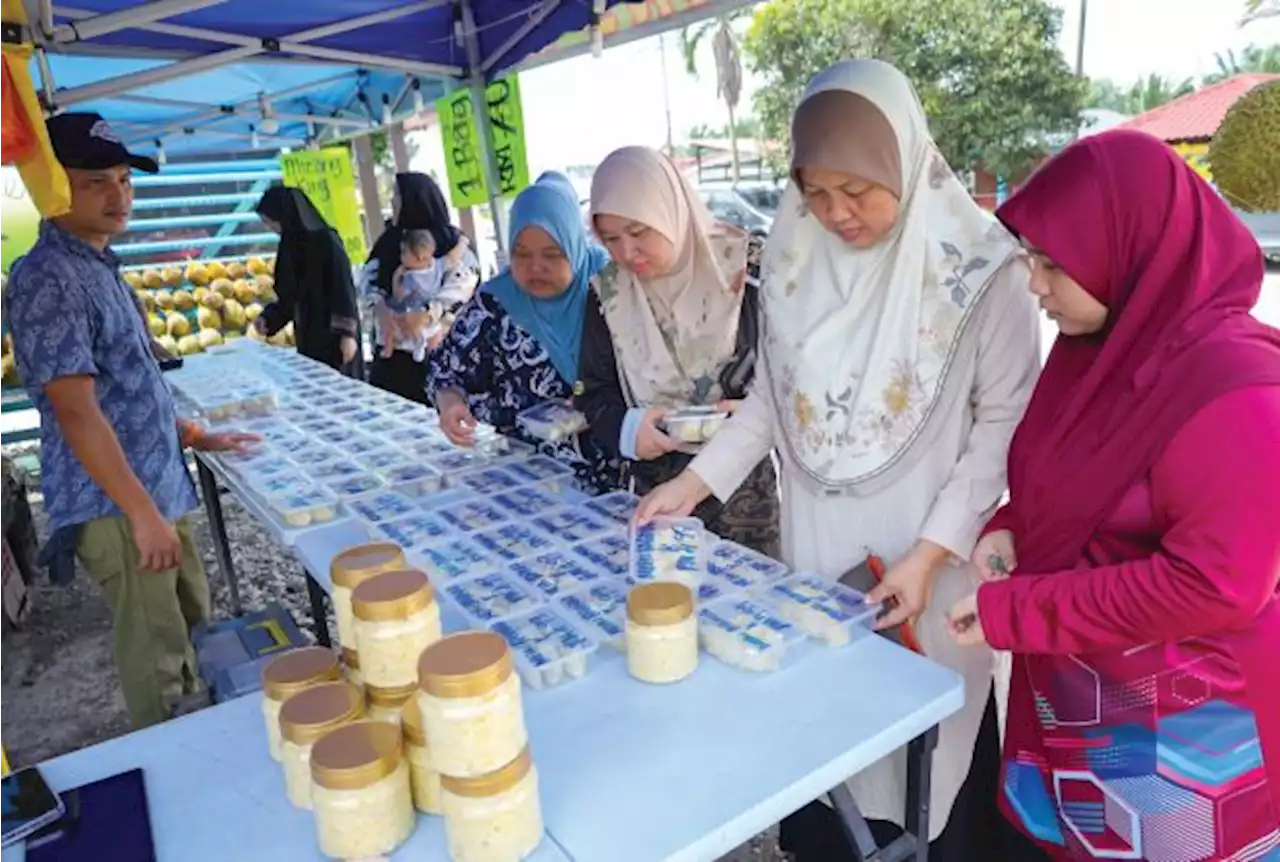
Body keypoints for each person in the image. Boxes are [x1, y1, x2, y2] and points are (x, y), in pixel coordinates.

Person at [636, 60, 1042, 859]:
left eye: (857, 190)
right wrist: (692, 483)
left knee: (932, 755)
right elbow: (770, 405)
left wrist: (929, 556)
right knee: (836, 749)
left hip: (934, 554)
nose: (834, 214)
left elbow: (1005, 427)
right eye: (815, 192)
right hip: (823, 552)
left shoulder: (982, 271)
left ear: (906, 162)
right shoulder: (791, 259)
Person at [947, 130, 1280, 860]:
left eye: (1054, 265)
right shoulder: (1096, 352)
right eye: (1033, 260)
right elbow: (1073, 478)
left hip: (1184, 734)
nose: (1036, 285)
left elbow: (1219, 582)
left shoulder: (1232, 387)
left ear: (1131, 249)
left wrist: (1019, 609)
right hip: (1081, 708)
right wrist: (1011, 526)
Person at [5, 113, 258, 729]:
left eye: (123, 178)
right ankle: (182, 770)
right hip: (120, 507)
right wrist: (141, 512)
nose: (119, 195)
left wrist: (192, 436)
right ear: (55, 189)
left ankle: (212, 742)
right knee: (160, 661)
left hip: (153, 491)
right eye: (97, 182)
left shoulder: (97, 265)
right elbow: (75, 408)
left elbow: (130, 385)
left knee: (197, 636)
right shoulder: (48, 277)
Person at [579, 145, 780, 556]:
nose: (626, 253)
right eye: (611, 238)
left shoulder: (750, 271)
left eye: (639, 232)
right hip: (657, 494)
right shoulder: (609, 295)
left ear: (670, 212)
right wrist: (629, 429)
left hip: (751, 490)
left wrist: (755, 414)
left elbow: (795, 380)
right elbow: (593, 391)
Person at [429, 175, 622, 493]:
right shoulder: (495, 304)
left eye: (552, 254)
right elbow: (447, 371)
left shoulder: (611, 289)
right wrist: (450, 404)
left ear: (574, 244)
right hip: (528, 480)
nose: (535, 267)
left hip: (617, 480)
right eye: (521, 253)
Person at [363, 172, 479, 401]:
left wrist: (427, 313)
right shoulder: (388, 242)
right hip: (393, 358)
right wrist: (380, 308)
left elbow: (463, 287)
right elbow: (368, 280)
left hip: (442, 355)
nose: (392, 201)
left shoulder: (452, 241)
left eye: (397, 194)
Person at [254, 186, 362, 376]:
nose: (271, 228)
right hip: (308, 334)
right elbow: (289, 295)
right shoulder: (290, 246)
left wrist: (347, 334)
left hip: (334, 333)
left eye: (271, 222)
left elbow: (343, 288)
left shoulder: (326, 241)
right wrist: (269, 319)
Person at [379, 229, 446, 363]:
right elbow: (452, 258)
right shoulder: (437, 266)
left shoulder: (410, 277)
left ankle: (390, 347)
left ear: (419, 256)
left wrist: (396, 278)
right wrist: (462, 243)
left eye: (404, 253)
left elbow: (399, 296)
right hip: (430, 310)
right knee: (435, 330)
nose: (401, 257)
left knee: (390, 322)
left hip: (411, 309)